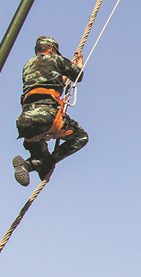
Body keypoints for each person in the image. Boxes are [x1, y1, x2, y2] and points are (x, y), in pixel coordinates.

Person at [11, 36, 88, 186]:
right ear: (52, 50)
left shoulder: (27, 65)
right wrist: (79, 62)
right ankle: (48, 162)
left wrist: (63, 77)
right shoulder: (55, 60)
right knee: (81, 137)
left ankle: (28, 165)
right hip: (46, 117)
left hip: (25, 122)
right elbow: (78, 75)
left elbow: (47, 81)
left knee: (39, 155)